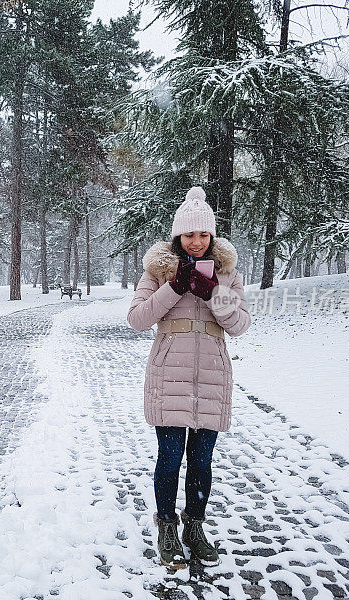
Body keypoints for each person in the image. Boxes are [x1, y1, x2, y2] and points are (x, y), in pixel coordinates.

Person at [127, 186, 251, 569]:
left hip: (212, 378)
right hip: (169, 379)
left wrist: (215, 293)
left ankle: (194, 528)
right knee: (169, 458)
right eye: (188, 235)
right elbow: (137, 319)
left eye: (203, 235)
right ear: (177, 236)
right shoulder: (158, 270)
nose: (196, 242)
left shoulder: (228, 273)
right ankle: (166, 527)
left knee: (202, 462)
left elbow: (241, 325)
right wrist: (175, 286)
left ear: (212, 236)